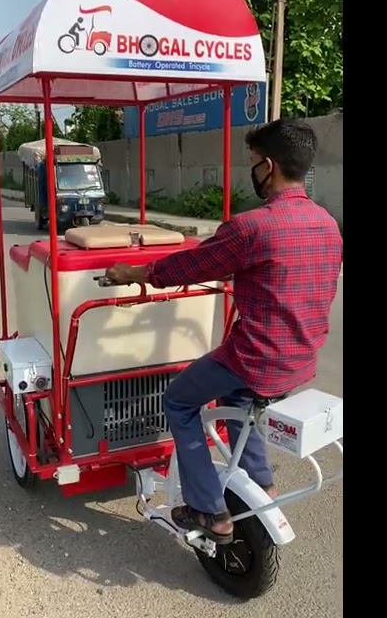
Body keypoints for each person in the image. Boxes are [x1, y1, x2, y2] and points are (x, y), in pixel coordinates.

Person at [105, 118, 342, 544]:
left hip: (255, 359)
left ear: (268, 166)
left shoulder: (252, 227)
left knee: (179, 400)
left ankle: (209, 511)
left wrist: (132, 272)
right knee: (239, 402)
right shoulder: (328, 224)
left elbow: (187, 267)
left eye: (252, 162)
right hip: (301, 362)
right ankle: (262, 485)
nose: (251, 171)